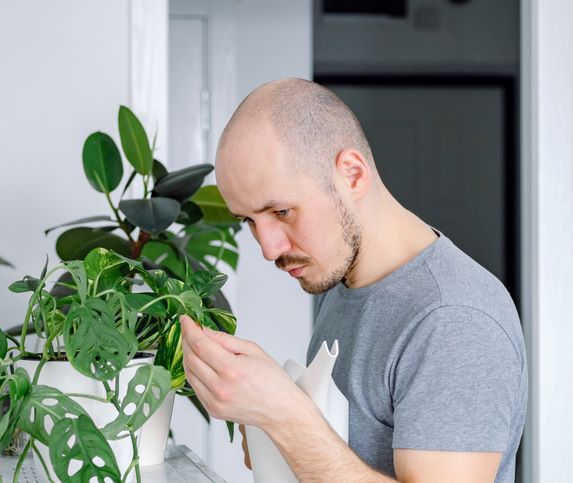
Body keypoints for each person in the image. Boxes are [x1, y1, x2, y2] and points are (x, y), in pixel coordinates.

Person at [179, 78, 527, 482]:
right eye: (249, 222)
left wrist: (285, 416)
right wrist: (269, 428)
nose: (269, 248)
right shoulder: (343, 284)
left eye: (281, 212)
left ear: (352, 175)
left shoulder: (455, 320)